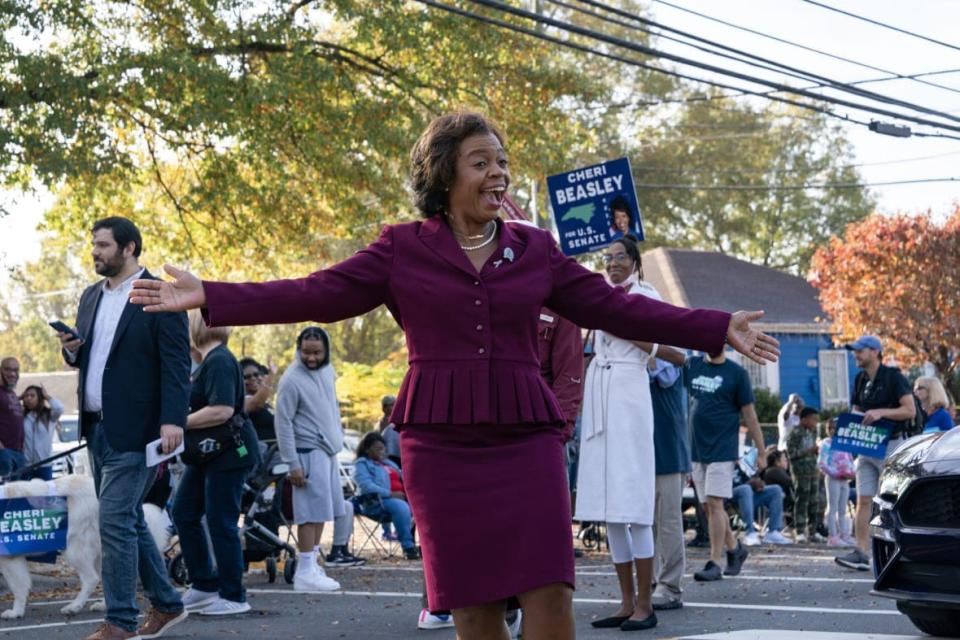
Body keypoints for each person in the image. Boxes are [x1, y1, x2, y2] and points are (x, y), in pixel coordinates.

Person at [129, 110, 779, 640]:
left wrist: (715, 327)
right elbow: (315, 293)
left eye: (502, 161)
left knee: (551, 597)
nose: (498, 173)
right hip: (439, 445)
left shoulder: (536, 251)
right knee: (476, 611)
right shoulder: (400, 249)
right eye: (482, 162)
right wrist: (212, 294)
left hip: (526, 439)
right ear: (445, 176)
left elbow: (613, 305)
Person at [57, 216, 188, 640]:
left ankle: (120, 622)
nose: (95, 251)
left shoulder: (157, 293)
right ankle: (167, 604)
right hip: (95, 427)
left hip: (140, 430)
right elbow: (93, 359)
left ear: (129, 248)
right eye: (94, 244)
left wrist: (173, 419)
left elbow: (176, 363)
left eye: (103, 245)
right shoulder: (90, 296)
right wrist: (72, 352)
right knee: (127, 518)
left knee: (112, 520)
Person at [577, 236, 686, 632]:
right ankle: (624, 602)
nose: (612, 263)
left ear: (635, 261)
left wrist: (623, 328)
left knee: (635, 507)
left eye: (619, 257)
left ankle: (645, 603)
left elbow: (676, 353)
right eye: (607, 258)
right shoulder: (604, 297)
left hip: (629, 391)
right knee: (612, 509)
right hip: (602, 393)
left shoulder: (646, 295)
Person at [174, 310, 259, 616]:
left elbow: (221, 410)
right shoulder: (209, 361)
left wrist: (178, 422)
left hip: (227, 452)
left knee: (220, 521)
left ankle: (233, 595)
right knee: (183, 512)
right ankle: (204, 585)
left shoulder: (220, 360)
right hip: (206, 453)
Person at [275, 327, 360, 589]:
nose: (311, 358)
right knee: (308, 514)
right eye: (306, 352)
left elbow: (331, 407)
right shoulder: (290, 379)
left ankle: (312, 565)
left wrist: (339, 432)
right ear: (298, 349)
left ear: (326, 351)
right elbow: (283, 422)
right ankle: (305, 571)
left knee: (323, 511)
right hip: (306, 453)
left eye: (317, 353)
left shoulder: (327, 371)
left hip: (327, 453)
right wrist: (293, 463)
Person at [835, 335, 915, 572]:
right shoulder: (860, 379)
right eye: (855, 351)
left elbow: (909, 410)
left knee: (891, 500)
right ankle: (861, 552)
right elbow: (857, 409)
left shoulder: (893, 377)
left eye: (860, 350)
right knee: (863, 498)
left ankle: (900, 550)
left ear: (875, 352)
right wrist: (847, 426)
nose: (856, 355)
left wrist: (881, 412)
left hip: (890, 444)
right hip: (867, 446)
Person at [687, 349, 767, 582]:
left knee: (715, 503)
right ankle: (735, 549)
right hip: (696, 449)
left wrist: (761, 452)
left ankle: (715, 562)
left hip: (722, 449)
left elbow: (750, 415)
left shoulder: (737, 374)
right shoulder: (693, 367)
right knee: (707, 508)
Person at [353, 432, 420, 559]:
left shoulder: (388, 463)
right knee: (401, 506)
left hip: (399, 501)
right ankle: (408, 547)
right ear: (367, 449)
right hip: (375, 503)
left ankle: (425, 546)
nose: (382, 451)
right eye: (377, 449)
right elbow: (366, 486)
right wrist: (390, 494)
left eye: (383, 448)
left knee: (422, 507)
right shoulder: (362, 464)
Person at [730, 453, 792, 547]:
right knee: (745, 489)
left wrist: (757, 483)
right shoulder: (721, 463)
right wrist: (749, 484)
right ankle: (750, 532)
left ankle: (773, 531)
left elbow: (750, 479)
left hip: (748, 496)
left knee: (775, 490)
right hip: (730, 495)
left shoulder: (742, 462)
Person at [817, 417, 856, 546]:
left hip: (845, 479)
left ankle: (844, 534)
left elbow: (850, 460)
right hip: (833, 478)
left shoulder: (844, 443)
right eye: (830, 428)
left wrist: (852, 472)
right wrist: (836, 472)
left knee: (842, 508)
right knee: (833, 507)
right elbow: (822, 463)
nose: (833, 430)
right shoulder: (825, 444)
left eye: (836, 428)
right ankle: (833, 536)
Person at [787, 407, 823, 543]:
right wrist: (809, 450)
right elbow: (791, 454)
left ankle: (813, 531)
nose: (815, 422)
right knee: (802, 501)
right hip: (800, 473)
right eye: (813, 419)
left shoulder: (812, 433)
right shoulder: (795, 433)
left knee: (814, 502)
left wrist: (816, 452)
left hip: (812, 471)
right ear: (804, 419)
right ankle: (800, 531)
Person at [20, 385, 65, 481]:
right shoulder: (21, 415)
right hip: (25, 465)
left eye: (32, 396)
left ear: (40, 398)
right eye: (26, 396)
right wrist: (18, 398)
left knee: (44, 494)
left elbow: (59, 408)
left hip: (44, 465)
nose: (29, 398)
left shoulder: (49, 415)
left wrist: (47, 397)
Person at [0, 357, 26, 477]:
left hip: (18, 454)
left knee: (17, 495)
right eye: (7, 369)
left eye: (16, 370)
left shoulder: (11, 393)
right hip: (4, 454)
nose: (12, 374)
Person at [240, 357, 276, 443]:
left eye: (256, 374)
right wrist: (271, 377)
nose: (253, 378)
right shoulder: (242, 401)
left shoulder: (266, 403)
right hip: (264, 452)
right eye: (247, 377)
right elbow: (256, 403)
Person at [762, 448, 796, 522]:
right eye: (784, 460)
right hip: (779, 503)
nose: (787, 461)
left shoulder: (772, 471)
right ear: (777, 462)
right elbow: (791, 482)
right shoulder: (775, 471)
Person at [378, 395, 402, 467]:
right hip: (387, 457)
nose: (395, 407)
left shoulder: (399, 421)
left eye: (396, 404)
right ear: (384, 408)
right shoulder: (381, 423)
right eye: (392, 405)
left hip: (399, 455)